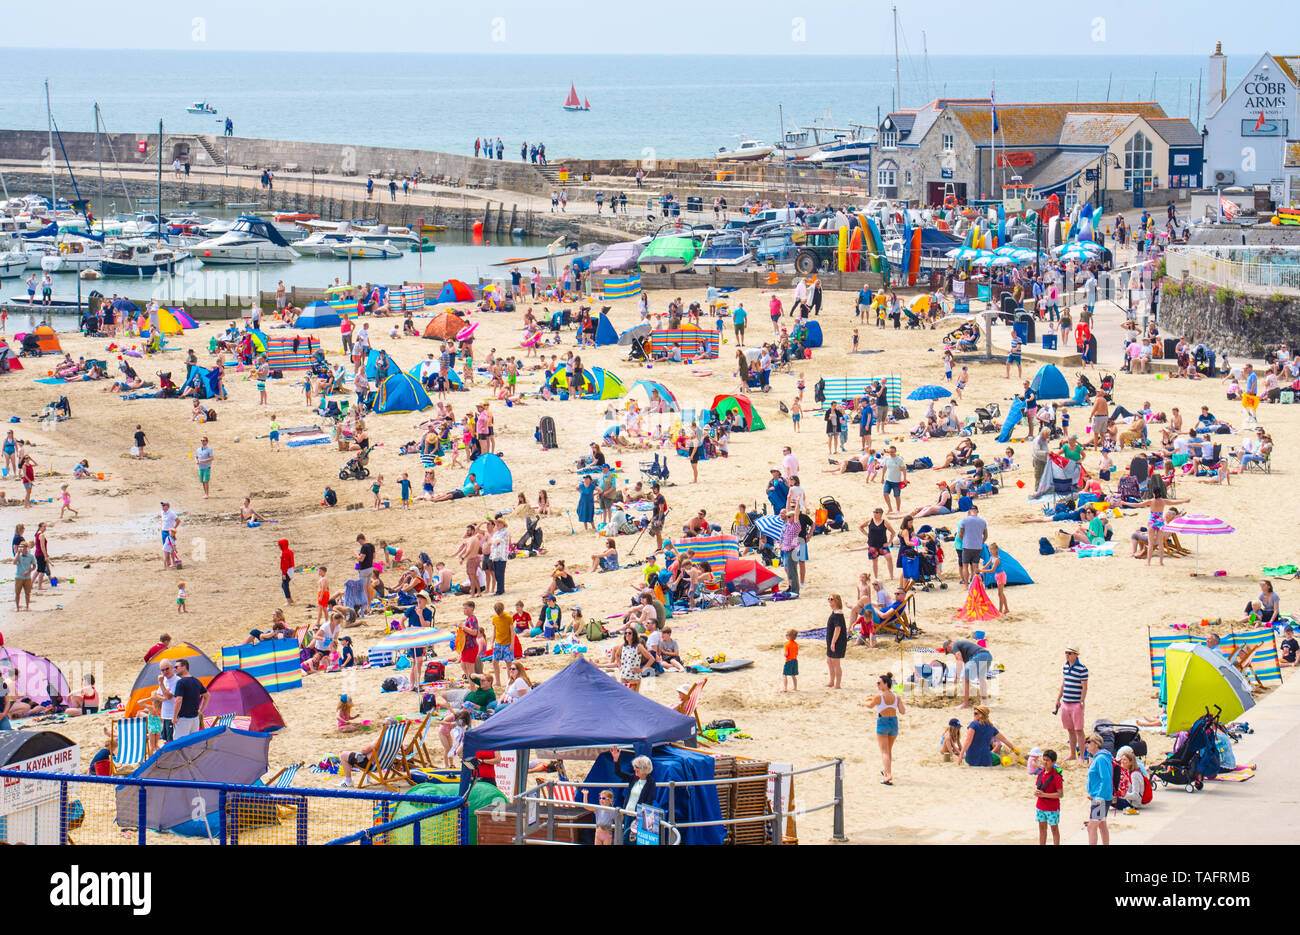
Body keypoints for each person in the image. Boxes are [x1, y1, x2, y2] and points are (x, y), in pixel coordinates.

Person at [861, 673, 904, 785]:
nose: (878, 685)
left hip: (883, 722)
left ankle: (888, 775)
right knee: (888, 750)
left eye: (879, 683)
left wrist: (863, 703)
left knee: (884, 751)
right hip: (894, 722)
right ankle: (886, 770)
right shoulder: (896, 696)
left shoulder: (879, 697)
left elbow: (870, 705)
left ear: (886, 684)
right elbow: (903, 711)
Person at [608, 748, 657, 841]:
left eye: (636, 767)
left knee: (635, 840)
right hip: (628, 813)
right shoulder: (633, 778)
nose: (634, 768)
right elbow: (618, 772)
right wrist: (616, 759)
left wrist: (639, 817)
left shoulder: (651, 782)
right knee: (626, 838)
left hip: (638, 816)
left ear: (643, 768)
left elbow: (649, 801)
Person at [1055, 646, 1089, 761]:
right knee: (1070, 729)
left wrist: (1082, 700)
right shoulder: (1065, 666)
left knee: (1079, 730)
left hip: (1076, 703)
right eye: (1066, 653)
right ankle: (1072, 754)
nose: (1067, 655)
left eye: (1069, 653)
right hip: (1066, 702)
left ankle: (1082, 756)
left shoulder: (1082, 668)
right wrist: (1058, 699)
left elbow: (1084, 686)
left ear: (1075, 654)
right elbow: (1063, 684)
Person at [943, 637, 992, 708]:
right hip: (987, 656)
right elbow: (966, 667)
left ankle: (965, 704)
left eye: (948, 651)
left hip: (979, 655)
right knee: (981, 678)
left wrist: (957, 677)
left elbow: (959, 659)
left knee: (964, 679)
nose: (950, 653)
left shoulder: (955, 645)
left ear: (948, 646)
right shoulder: (965, 651)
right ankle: (984, 702)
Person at [1085, 733, 1113, 845]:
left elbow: (1105, 779)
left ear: (1096, 744)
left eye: (1088, 742)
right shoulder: (1098, 758)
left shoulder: (1101, 758)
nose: (1086, 744)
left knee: (1091, 827)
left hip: (1100, 798)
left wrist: (1100, 796)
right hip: (1099, 797)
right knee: (1102, 824)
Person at [171, 658, 209, 739]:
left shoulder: (181, 682)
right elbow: (207, 696)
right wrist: (200, 711)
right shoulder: (196, 681)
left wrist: (174, 717)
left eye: (176, 667)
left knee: (179, 744)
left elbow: (178, 700)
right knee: (193, 744)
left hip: (183, 719)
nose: (174, 669)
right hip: (195, 719)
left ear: (184, 667)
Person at [1034, 749, 1064, 845]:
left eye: (1047, 760)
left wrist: (1044, 795)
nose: (1045, 762)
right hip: (1040, 806)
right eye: (1044, 759)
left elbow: (1060, 794)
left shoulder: (1057, 777)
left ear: (1053, 762)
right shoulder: (1040, 774)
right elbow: (1039, 788)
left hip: (1052, 808)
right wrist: (1038, 793)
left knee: (1054, 829)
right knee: (1042, 829)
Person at [825, 594, 847, 689]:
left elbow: (838, 629)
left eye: (832, 599)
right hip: (831, 640)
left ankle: (837, 684)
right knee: (829, 661)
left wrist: (833, 642)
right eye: (829, 599)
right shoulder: (835, 612)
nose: (830, 601)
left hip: (837, 641)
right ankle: (831, 681)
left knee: (835, 663)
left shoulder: (838, 614)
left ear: (837, 601)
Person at [881, 445, 906, 514]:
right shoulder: (887, 458)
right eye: (889, 452)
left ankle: (898, 509)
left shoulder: (899, 459)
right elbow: (884, 467)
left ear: (895, 452)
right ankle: (890, 508)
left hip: (897, 481)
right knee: (885, 494)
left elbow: (904, 469)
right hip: (888, 480)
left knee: (897, 496)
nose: (891, 453)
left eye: (892, 452)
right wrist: (882, 477)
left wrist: (905, 479)